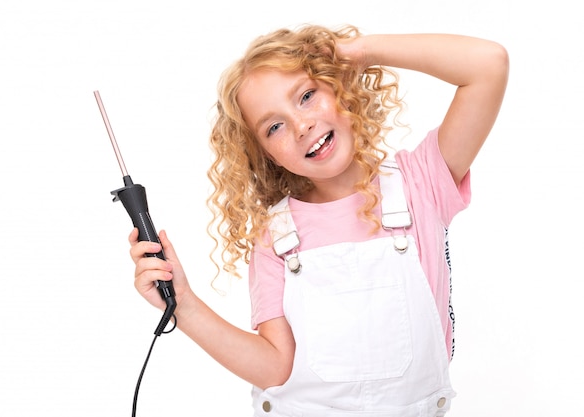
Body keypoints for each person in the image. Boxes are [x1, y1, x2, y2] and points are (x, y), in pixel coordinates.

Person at [128, 24, 509, 417]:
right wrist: (184, 306)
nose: (301, 125)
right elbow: (275, 366)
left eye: (307, 96)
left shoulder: (422, 181)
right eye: (274, 126)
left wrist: (359, 52)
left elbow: (488, 65)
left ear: (339, 87)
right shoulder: (276, 236)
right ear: (267, 155)